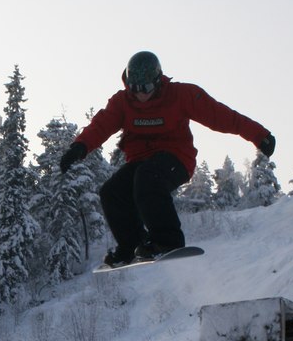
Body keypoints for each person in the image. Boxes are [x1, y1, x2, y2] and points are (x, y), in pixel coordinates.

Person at [59, 51, 275, 267]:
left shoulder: (181, 95)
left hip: (176, 158)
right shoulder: (122, 102)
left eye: (146, 88)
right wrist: (79, 147)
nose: (140, 94)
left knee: (148, 179)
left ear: (158, 81)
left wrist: (259, 135)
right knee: (111, 192)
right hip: (140, 161)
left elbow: (222, 116)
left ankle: (168, 241)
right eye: (134, 88)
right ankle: (132, 245)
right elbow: (101, 125)